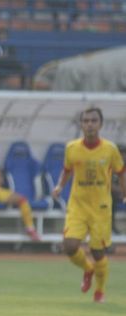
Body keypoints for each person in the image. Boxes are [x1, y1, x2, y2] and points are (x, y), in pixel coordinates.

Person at [52, 107, 125, 303]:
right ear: (81, 124)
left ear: (100, 124)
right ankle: (87, 268)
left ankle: (99, 291)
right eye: (86, 121)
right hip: (78, 205)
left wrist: (124, 194)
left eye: (93, 121)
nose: (90, 124)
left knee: (98, 252)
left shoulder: (110, 149)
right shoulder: (72, 148)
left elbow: (121, 171)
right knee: (69, 246)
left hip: (101, 208)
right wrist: (60, 185)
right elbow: (67, 170)